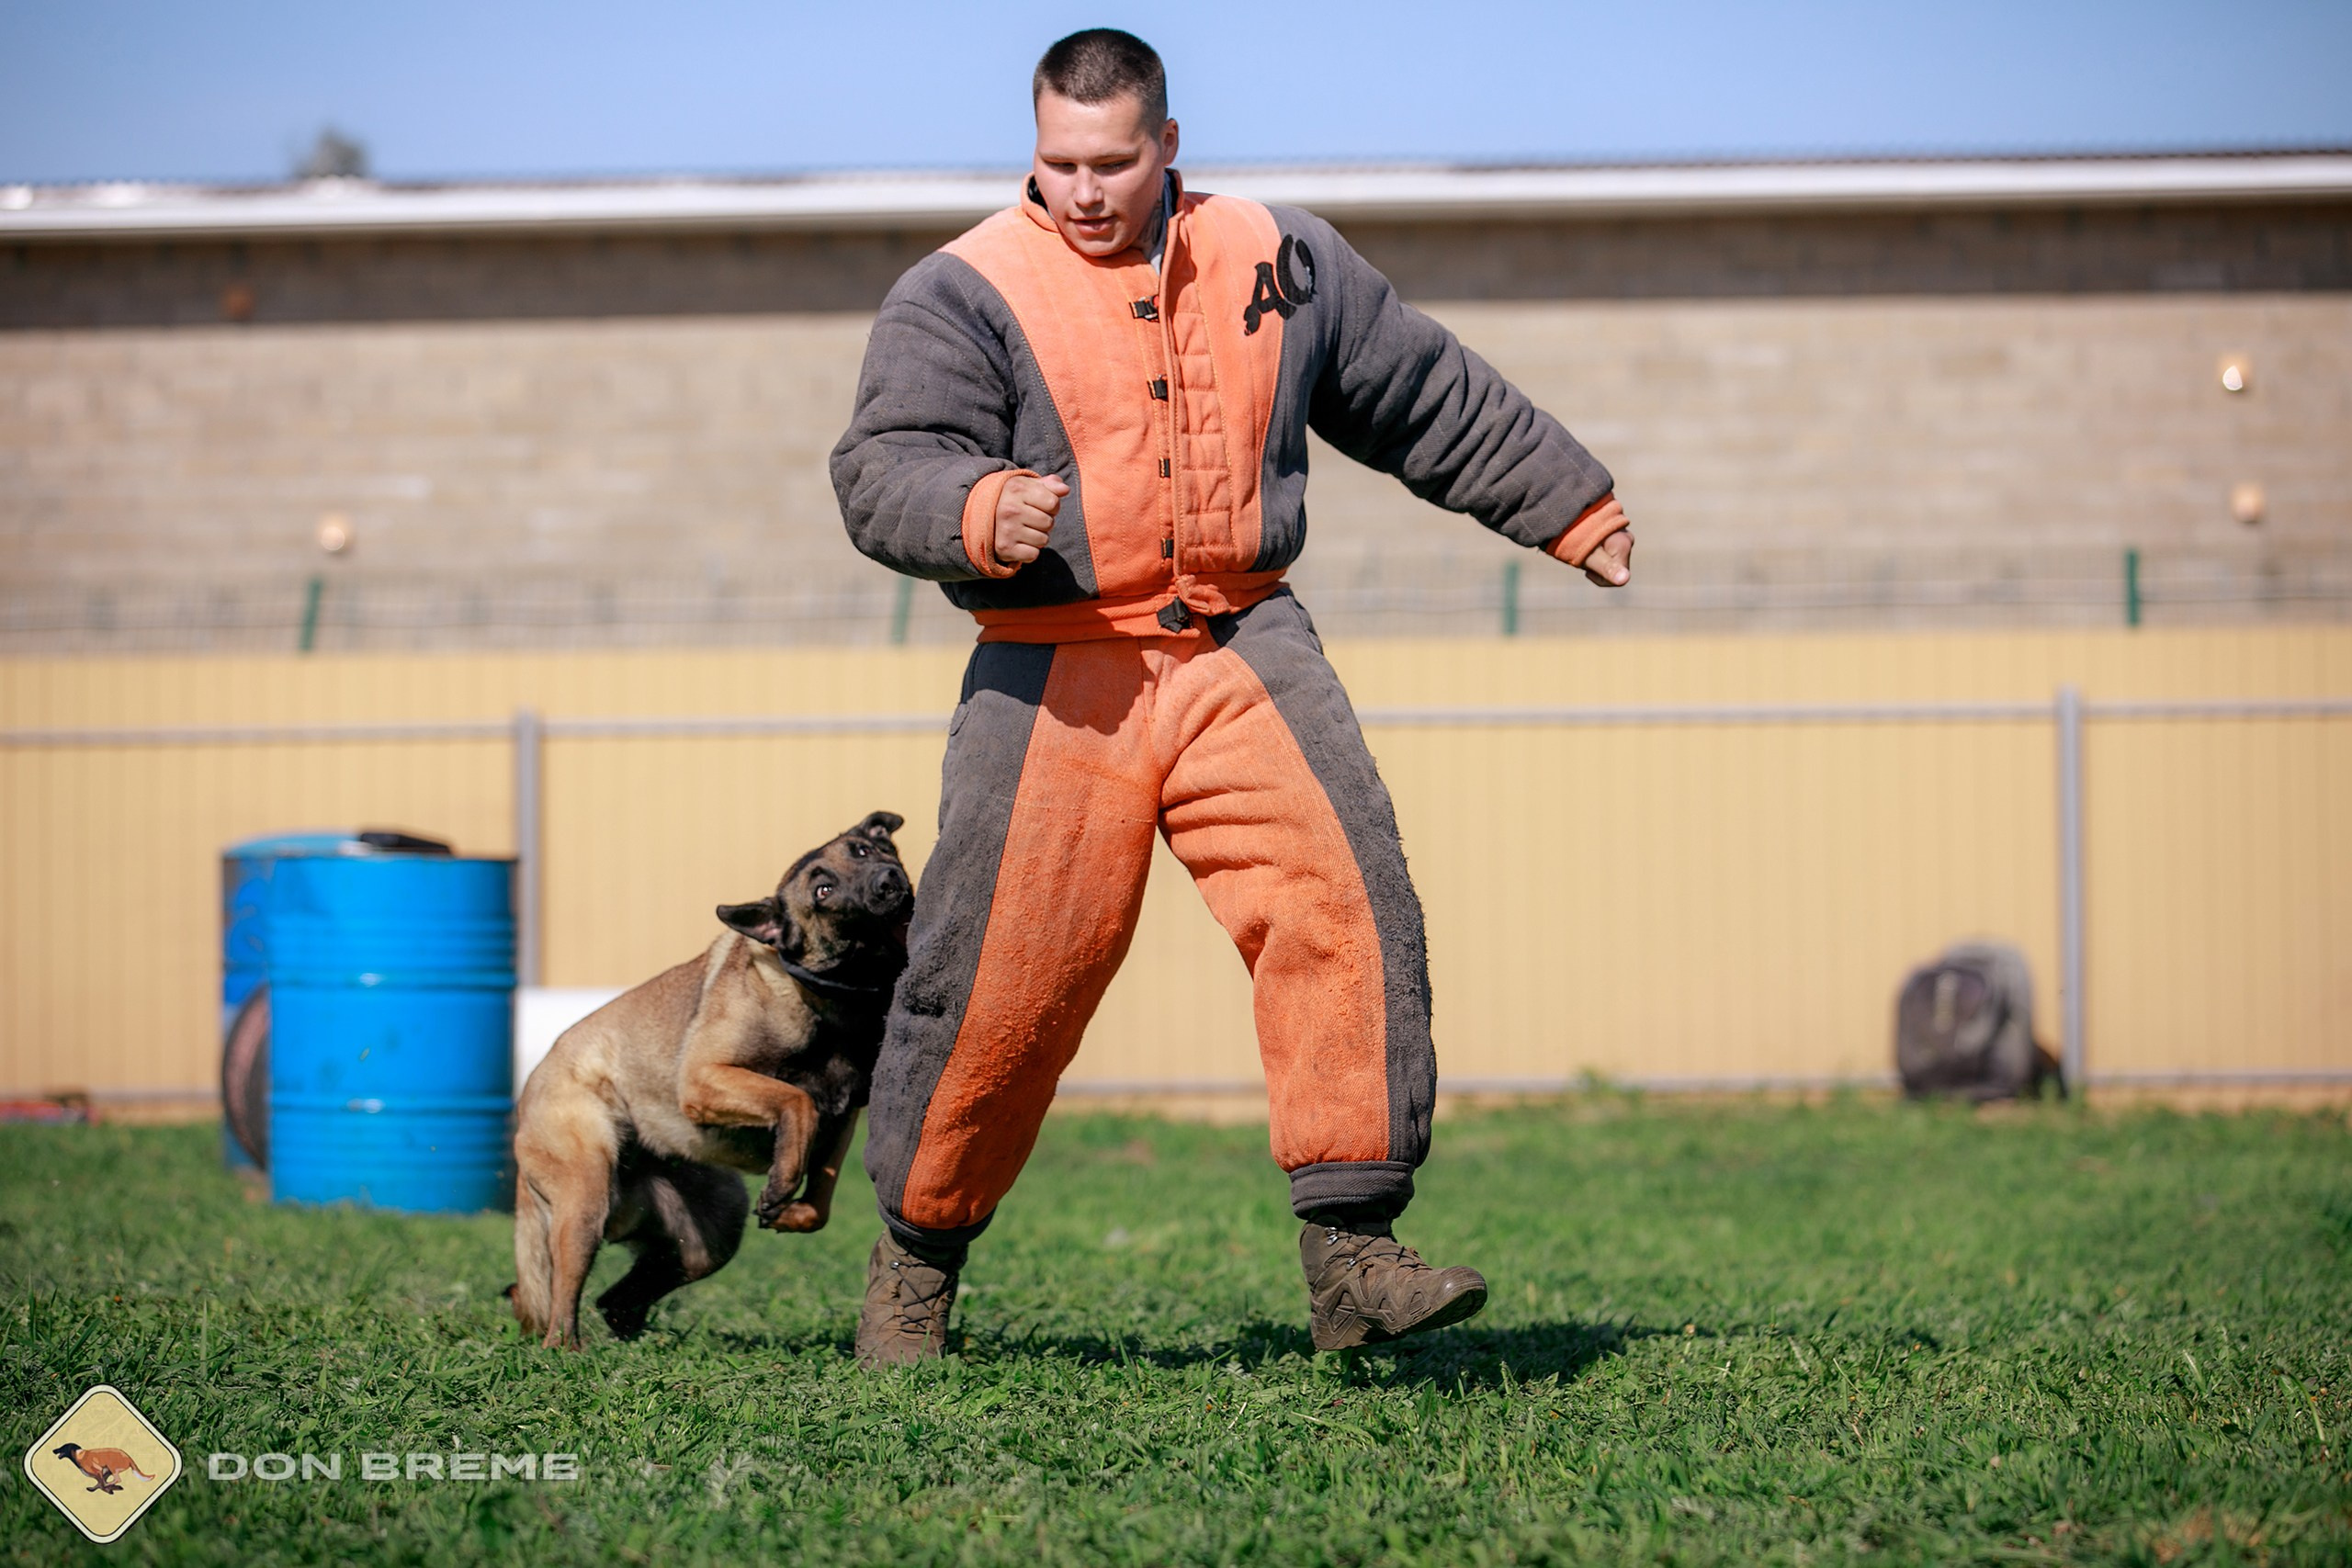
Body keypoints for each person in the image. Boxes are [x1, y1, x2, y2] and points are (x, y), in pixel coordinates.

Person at [831, 28, 1633, 1367]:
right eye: (1058, 162)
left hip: (1243, 644)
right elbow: (879, 467)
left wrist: (1568, 506)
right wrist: (972, 506)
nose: (1083, 190)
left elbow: (1422, 394)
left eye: (1113, 162)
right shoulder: (960, 290)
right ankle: (915, 1266)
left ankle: (1355, 1258)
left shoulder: (1281, 256)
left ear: (1169, 146)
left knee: (1347, 906)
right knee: (998, 988)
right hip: (1052, 673)